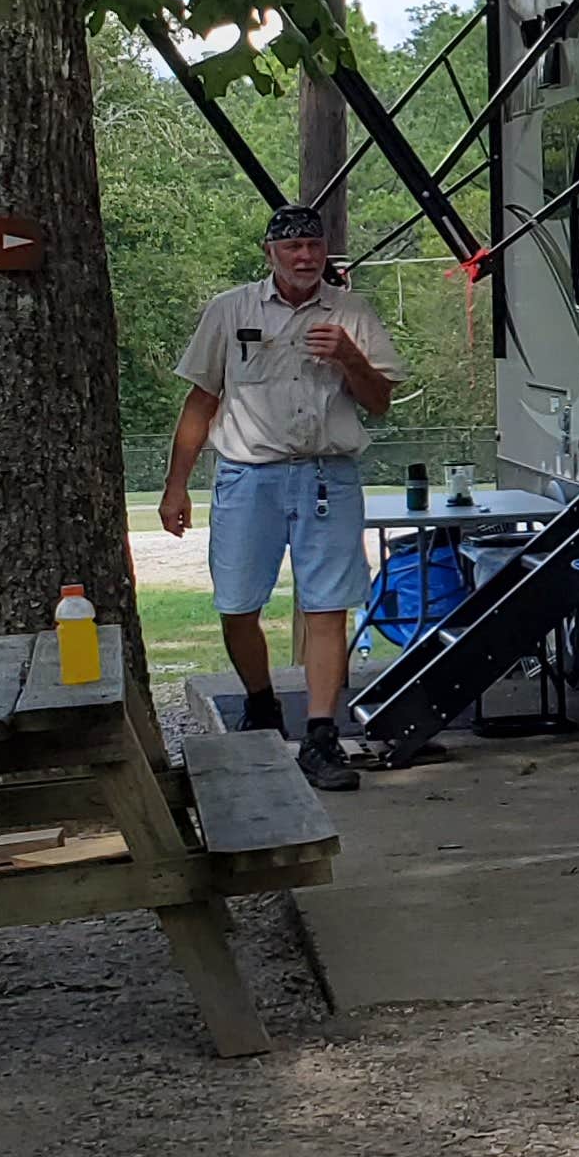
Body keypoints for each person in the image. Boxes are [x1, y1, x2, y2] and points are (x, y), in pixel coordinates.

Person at [156, 203, 399, 789]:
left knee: (327, 606)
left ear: (325, 254)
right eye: (292, 248)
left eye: (314, 246)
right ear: (270, 254)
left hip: (327, 476)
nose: (305, 256)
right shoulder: (230, 310)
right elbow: (200, 400)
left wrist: (348, 355)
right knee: (237, 604)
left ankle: (321, 734)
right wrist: (176, 485)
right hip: (248, 476)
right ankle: (261, 704)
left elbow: (379, 401)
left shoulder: (352, 314)